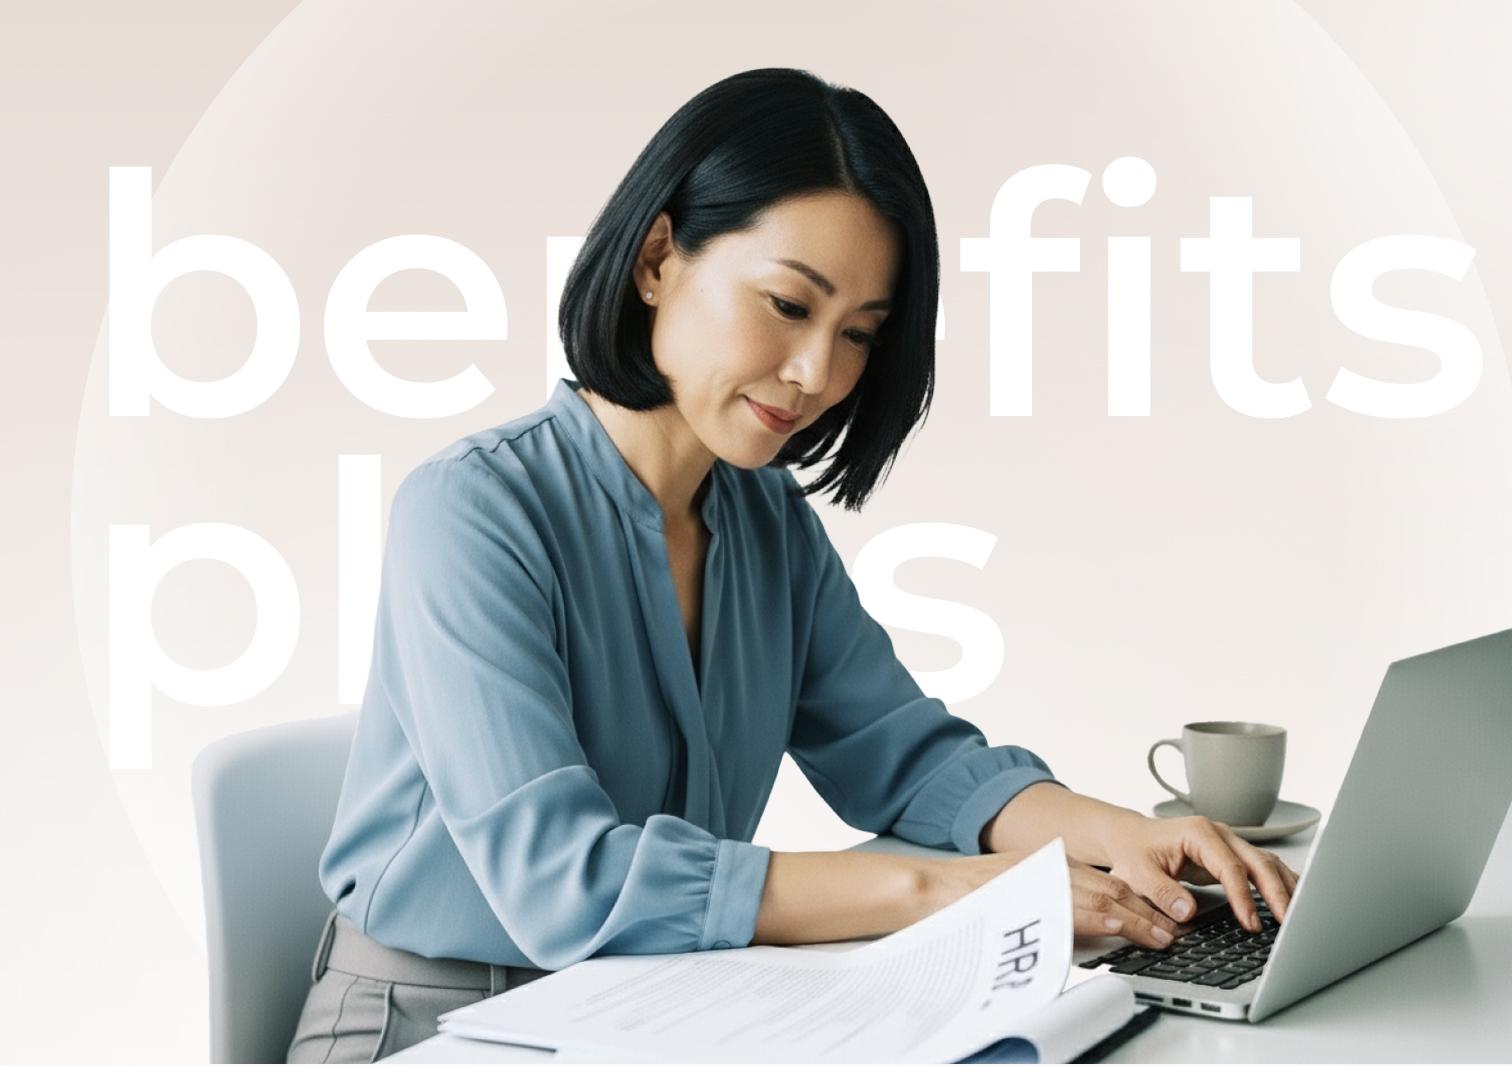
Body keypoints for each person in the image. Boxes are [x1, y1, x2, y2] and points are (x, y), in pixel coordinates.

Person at [288, 66, 1300, 1063]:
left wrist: (1105, 829)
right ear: (654, 260)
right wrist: (956, 894)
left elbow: (906, 757)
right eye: (786, 303)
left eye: (858, 333)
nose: (818, 373)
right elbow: (567, 882)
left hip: (649, 1005)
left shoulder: (766, 520)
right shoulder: (472, 508)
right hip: (426, 1027)